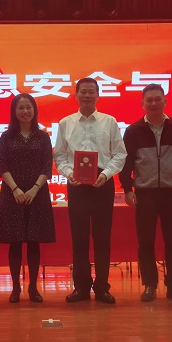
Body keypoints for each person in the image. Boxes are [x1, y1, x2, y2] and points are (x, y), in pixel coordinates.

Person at [119, 84, 172, 302]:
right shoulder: (133, 130)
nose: (153, 103)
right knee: (146, 241)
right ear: (142, 103)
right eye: (149, 100)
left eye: (157, 99)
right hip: (145, 193)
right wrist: (127, 188)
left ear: (165, 101)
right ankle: (150, 284)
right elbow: (126, 162)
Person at [53, 77, 127, 304]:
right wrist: (69, 173)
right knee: (79, 238)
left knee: (102, 238)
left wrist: (106, 174)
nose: (86, 95)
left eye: (91, 92)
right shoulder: (65, 123)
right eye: (83, 92)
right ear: (76, 95)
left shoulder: (109, 121)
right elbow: (59, 155)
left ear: (97, 95)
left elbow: (120, 154)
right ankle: (81, 287)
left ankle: (102, 287)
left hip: (102, 184)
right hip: (77, 186)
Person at [0, 94, 55, 303]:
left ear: (34, 110)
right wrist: (16, 189)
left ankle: (33, 287)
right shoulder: (6, 137)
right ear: (14, 111)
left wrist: (34, 189)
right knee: (15, 242)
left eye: (29, 107)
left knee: (34, 242)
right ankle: (15, 288)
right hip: (13, 194)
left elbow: (47, 167)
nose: (25, 111)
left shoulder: (43, 137)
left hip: (37, 194)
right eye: (21, 108)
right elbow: (2, 166)